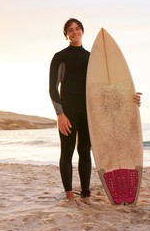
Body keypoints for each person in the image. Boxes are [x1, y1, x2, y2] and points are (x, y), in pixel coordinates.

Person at [49, 18, 142, 206]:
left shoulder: (92, 59)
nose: (74, 32)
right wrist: (60, 114)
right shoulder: (60, 57)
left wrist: (130, 98)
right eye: (70, 30)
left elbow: (107, 90)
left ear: (82, 31)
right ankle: (69, 195)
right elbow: (52, 88)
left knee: (85, 151)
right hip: (68, 112)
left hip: (89, 114)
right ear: (66, 35)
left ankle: (85, 194)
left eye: (77, 29)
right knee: (66, 152)